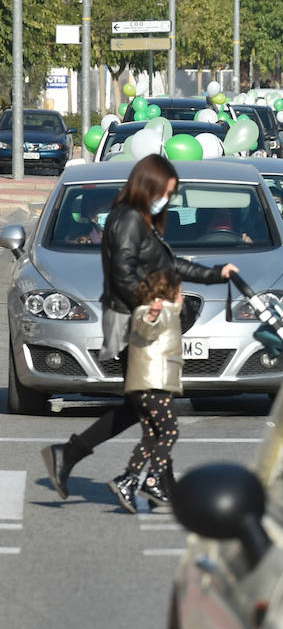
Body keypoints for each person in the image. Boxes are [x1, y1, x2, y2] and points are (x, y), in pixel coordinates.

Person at [41, 154, 238, 501]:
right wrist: (148, 305)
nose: (168, 200)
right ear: (150, 186)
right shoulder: (129, 219)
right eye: (166, 192)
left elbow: (168, 265)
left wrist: (214, 273)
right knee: (157, 410)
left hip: (140, 320)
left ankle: (99, 463)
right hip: (136, 325)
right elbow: (123, 272)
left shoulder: (140, 220)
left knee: (143, 408)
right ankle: (140, 478)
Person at [108, 269, 185, 512]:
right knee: (170, 431)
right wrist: (152, 315)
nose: (181, 294)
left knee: (152, 436)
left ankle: (128, 480)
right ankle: (152, 480)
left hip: (148, 384)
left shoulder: (168, 311)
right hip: (153, 384)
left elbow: (173, 313)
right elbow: (147, 326)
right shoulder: (148, 311)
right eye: (178, 290)